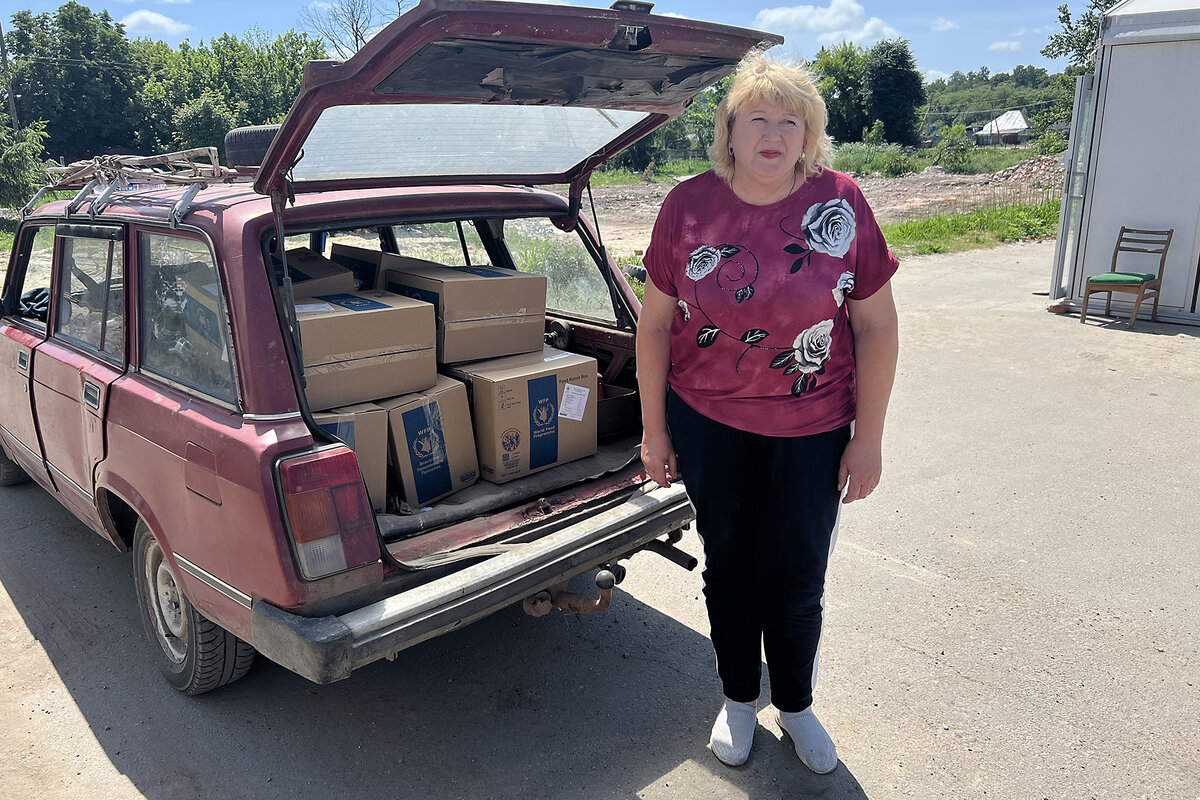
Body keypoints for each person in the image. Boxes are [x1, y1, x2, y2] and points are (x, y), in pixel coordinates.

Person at [635, 51, 899, 773]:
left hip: (813, 431)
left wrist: (868, 438)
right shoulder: (688, 206)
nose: (774, 134)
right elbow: (654, 325)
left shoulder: (841, 204)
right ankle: (738, 700)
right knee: (730, 567)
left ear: (809, 134)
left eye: (791, 121)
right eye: (758, 118)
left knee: (798, 571)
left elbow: (876, 327)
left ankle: (797, 704)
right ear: (729, 130)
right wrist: (655, 430)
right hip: (709, 424)